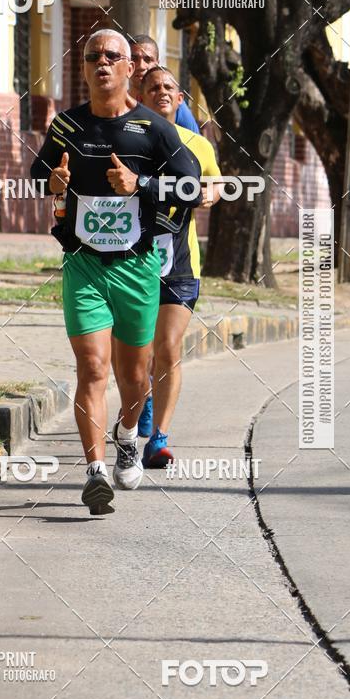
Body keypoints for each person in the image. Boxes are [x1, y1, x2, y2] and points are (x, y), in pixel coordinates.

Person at [30, 30, 202, 514]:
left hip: (137, 266)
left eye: (112, 57)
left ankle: (129, 435)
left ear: (131, 68)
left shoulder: (154, 129)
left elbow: (190, 189)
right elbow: (35, 176)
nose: (102, 63)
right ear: (83, 69)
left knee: (133, 374)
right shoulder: (66, 125)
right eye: (92, 57)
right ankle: (95, 473)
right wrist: (53, 180)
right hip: (83, 263)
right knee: (92, 367)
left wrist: (141, 183)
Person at [137, 65, 221, 468]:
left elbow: (216, 181)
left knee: (168, 347)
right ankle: (145, 401)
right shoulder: (129, 136)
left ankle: (159, 438)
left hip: (181, 263)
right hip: (132, 260)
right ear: (140, 94)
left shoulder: (196, 144)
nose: (162, 92)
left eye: (169, 87)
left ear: (180, 98)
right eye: (153, 87)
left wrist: (210, 194)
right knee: (140, 353)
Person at [129, 34, 200, 133]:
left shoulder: (174, 104)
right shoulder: (116, 101)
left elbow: (194, 144)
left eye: (148, 59)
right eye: (134, 59)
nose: (141, 66)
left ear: (157, 64)